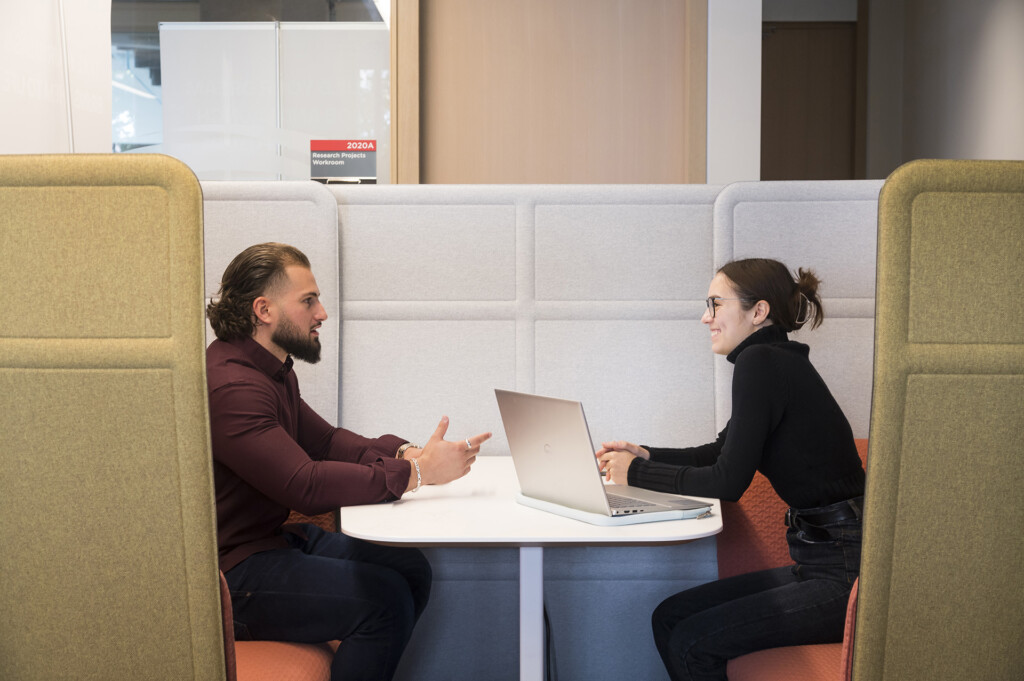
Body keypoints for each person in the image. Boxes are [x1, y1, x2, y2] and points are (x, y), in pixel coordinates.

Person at [206, 242, 492, 681]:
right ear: (263, 310)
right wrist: (416, 475)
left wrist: (406, 453)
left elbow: (326, 442)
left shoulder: (272, 370)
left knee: (409, 568)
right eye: (308, 301)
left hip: (269, 540)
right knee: (384, 603)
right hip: (231, 572)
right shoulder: (232, 387)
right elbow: (304, 484)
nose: (321, 312)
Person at [596, 258, 864, 681]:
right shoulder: (775, 360)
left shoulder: (762, 362)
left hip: (847, 575)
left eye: (715, 304)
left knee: (691, 642)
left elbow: (727, 481)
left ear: (758, 312)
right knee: (671, 617)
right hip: (824, 560)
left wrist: (635, 474)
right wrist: (645, 455)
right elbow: (720, 452)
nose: (706, 318)